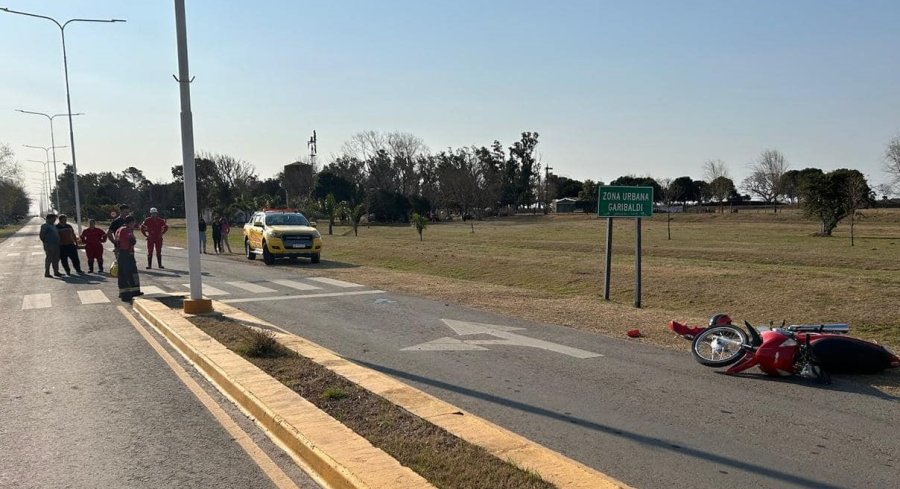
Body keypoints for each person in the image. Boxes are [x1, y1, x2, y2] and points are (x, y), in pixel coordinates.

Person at [115, 215, 144, 301]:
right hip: (125, 253)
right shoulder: (125, 230)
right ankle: (125, 294)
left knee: (131, 273)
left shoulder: (120, 229)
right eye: (133, 222)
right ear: (130, 222)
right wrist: (132, 241)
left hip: (124, 253)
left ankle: (134, 291)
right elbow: (129, 241)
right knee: (126, 273)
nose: (134, 224)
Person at [39, 213, 62, 278]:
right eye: (53, 219)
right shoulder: (45, 226)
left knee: (56, 258)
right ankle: (47, 272)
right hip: (49, 245)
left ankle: (56, 272)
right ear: (48, 219)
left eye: (55, 219)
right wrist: (46, 243)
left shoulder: (54, 226)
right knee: (49, 258)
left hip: (56, 244)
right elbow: (41, 235)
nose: (54, 220)